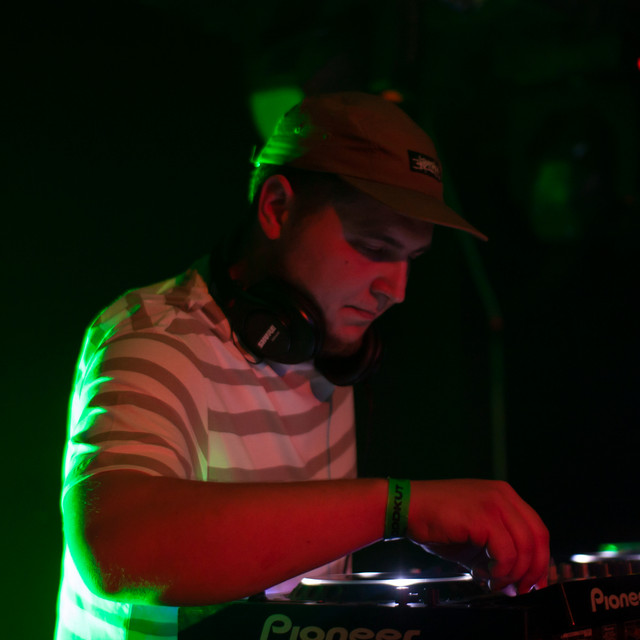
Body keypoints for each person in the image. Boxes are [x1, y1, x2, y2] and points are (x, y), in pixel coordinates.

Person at [54, 92, 549, 639]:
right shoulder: (154, 338)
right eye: (374, 246)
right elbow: (119, 548)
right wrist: (399, 508)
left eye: (410, 259)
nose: (396, 289)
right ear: (276, 207)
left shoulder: (326, 346)